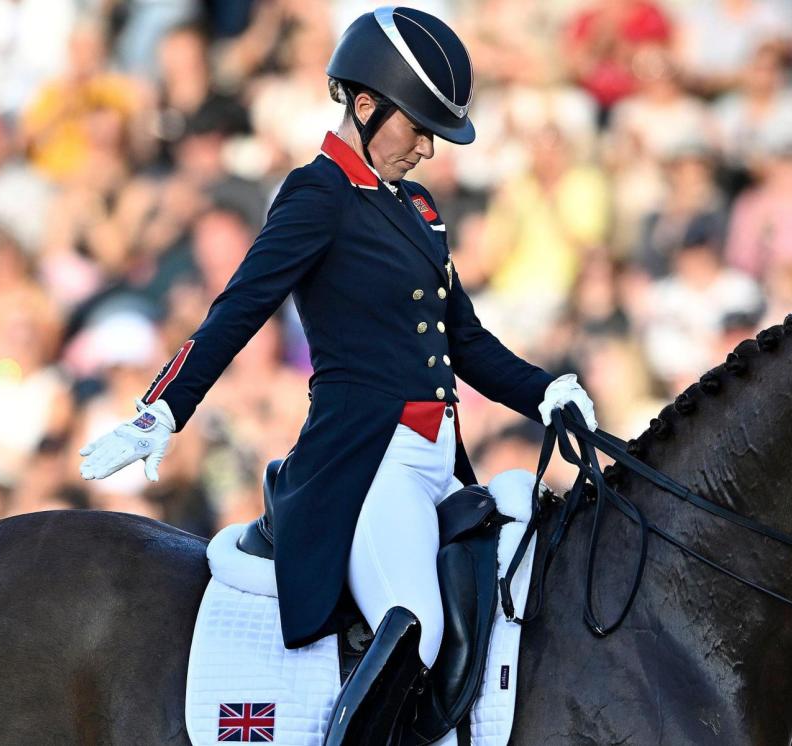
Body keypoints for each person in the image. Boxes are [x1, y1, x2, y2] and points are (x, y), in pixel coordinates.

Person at [76, 8, 597, 744]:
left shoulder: (417, 208)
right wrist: (162, 409)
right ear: (364, 103)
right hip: (367, 464)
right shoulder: (316, 195)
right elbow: (241, 306)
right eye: (417, 128)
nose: (425, 149)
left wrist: (545, 391)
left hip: (439, 463)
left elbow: (465, 342)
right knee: (413, 626)